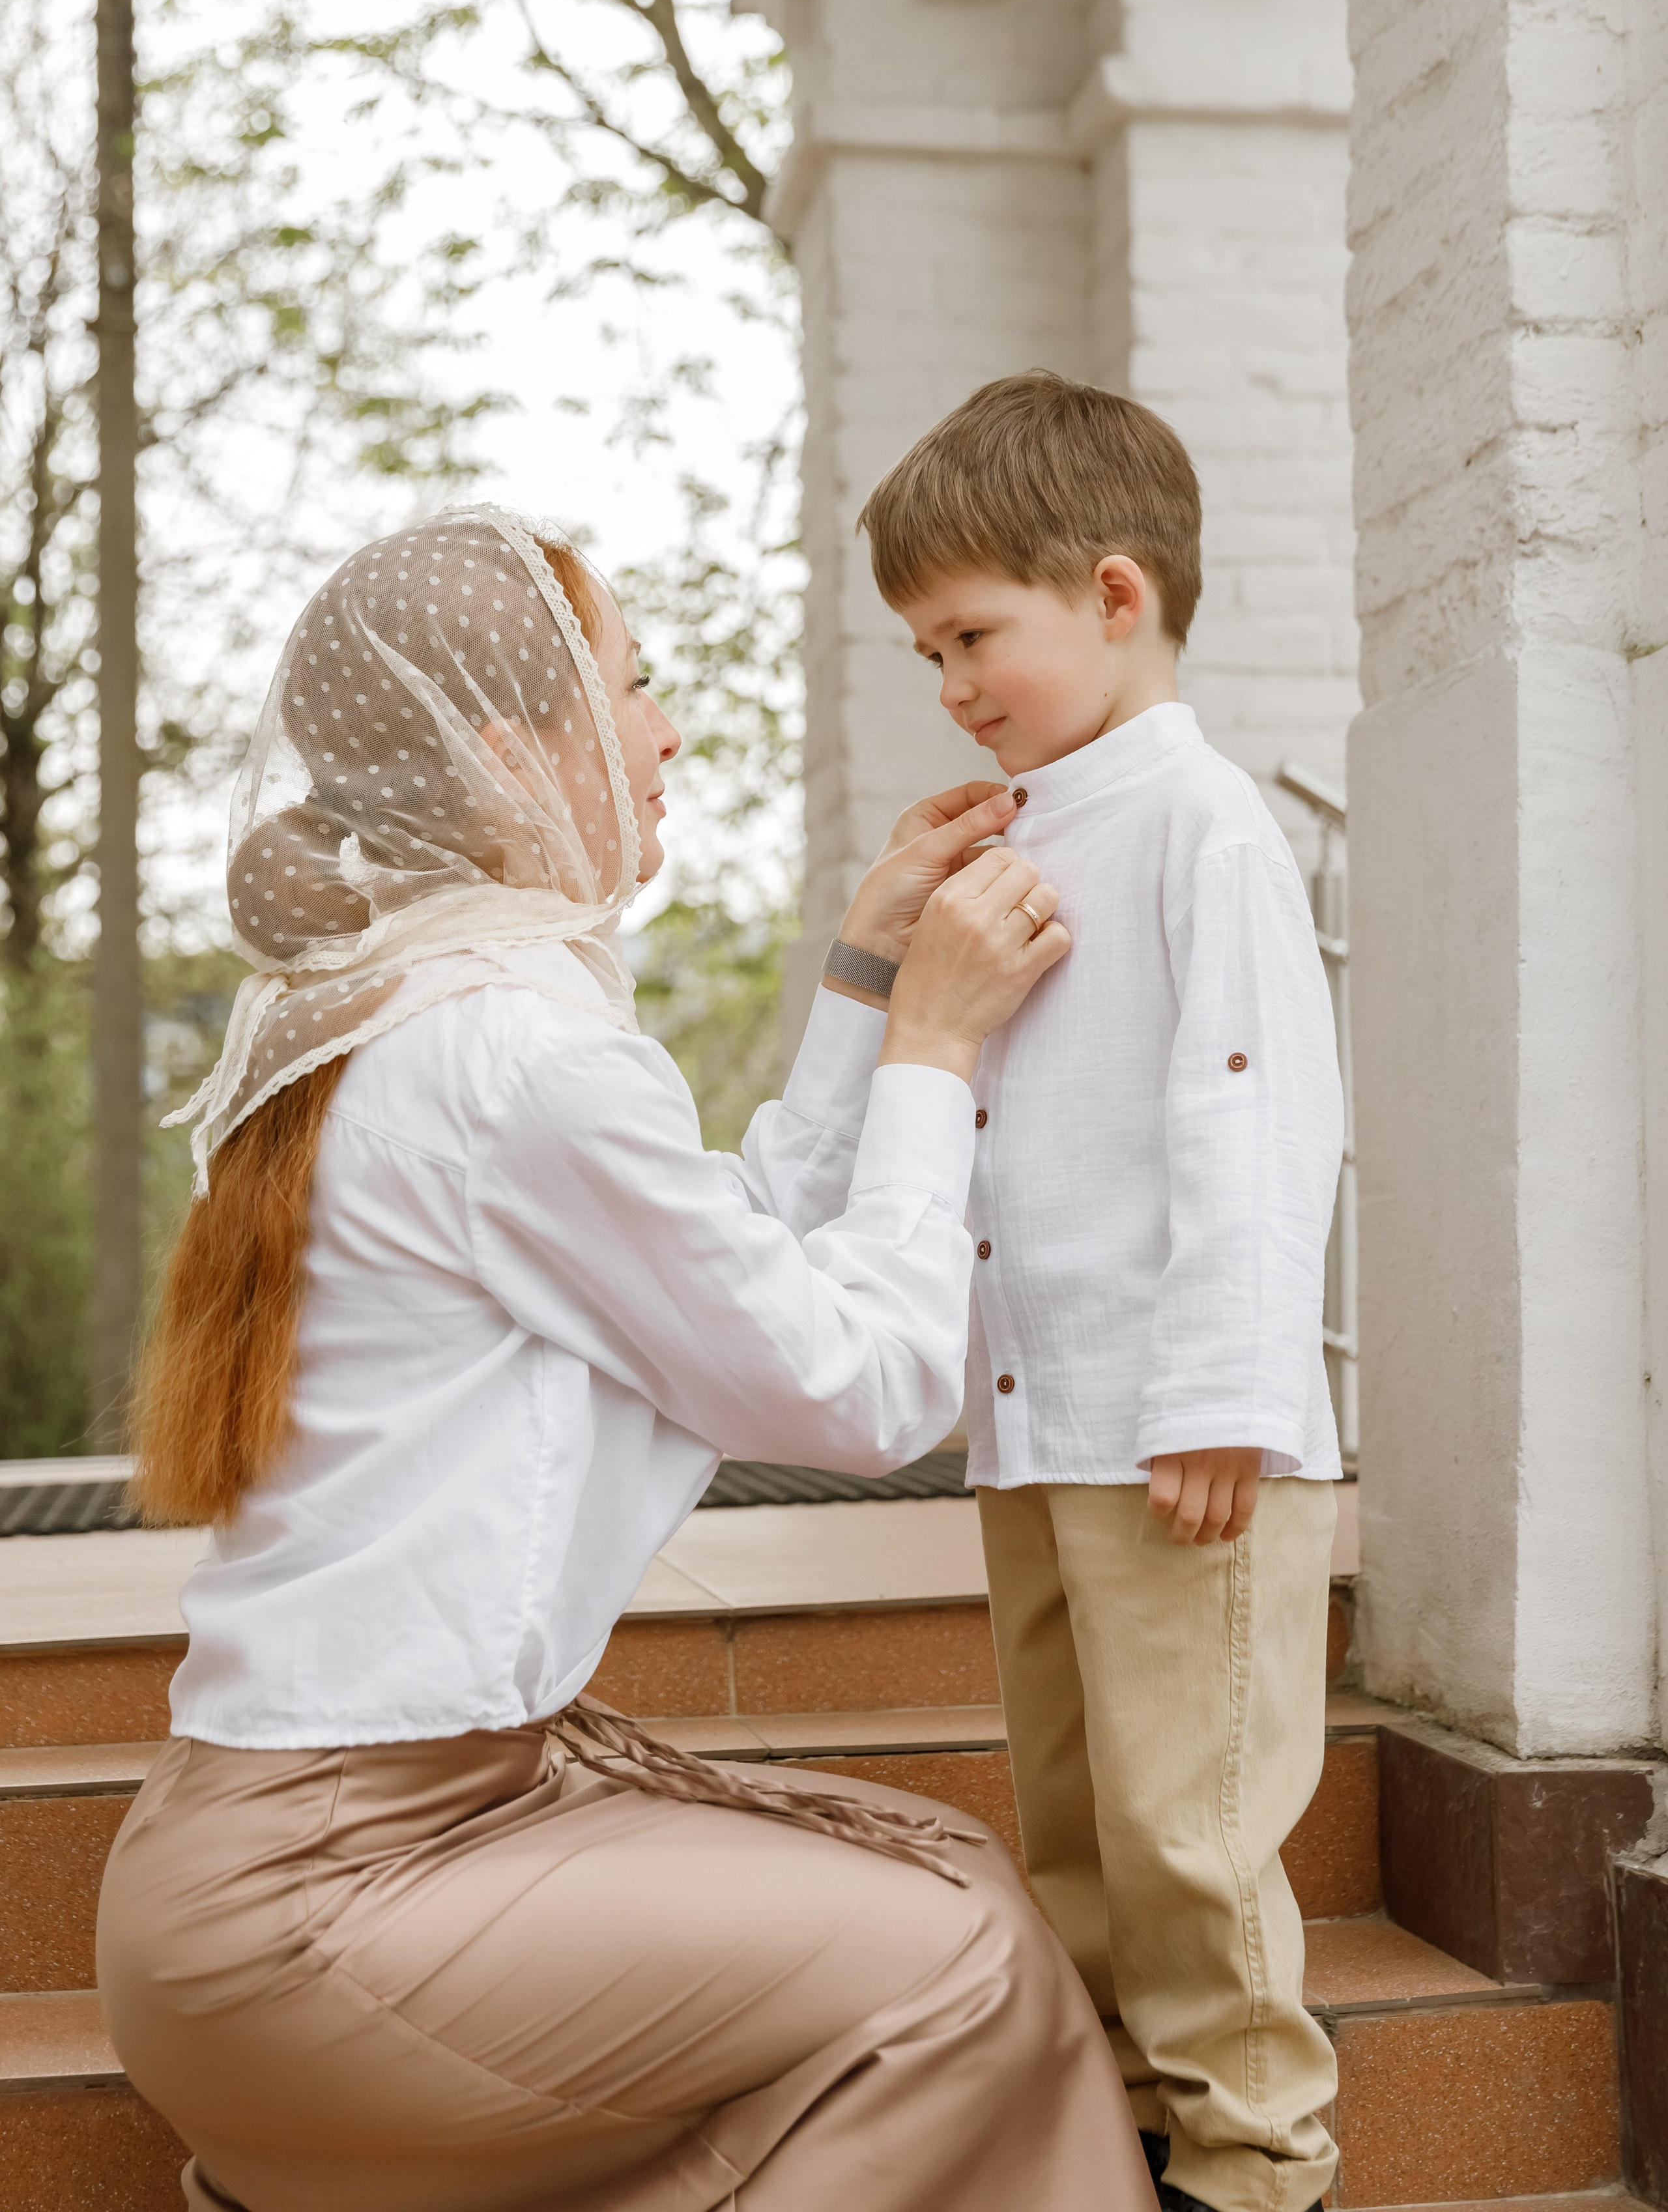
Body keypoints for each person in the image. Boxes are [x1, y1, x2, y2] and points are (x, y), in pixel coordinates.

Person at [96, 502, 1157, 2212]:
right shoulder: (516, 1051)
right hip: (334, 1907)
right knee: (959, 1954)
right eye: (635, 687)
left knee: (942, 1862)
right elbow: (861, 1388)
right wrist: (936, 1056)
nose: (665, 731)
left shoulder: (408, 1012)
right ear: (519, 748)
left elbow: (701, 1267)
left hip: (292, 1867)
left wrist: (869, 982)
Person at [846, 375, 1345, 2212]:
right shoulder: (1025, 827)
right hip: (1044, 1425)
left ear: (1115, 595)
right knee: (1072, 1822)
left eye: (975, 633)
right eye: (927, 653)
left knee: (1188, 1831)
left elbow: (1252, 1112)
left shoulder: (1201, 825)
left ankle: (1257, 2166)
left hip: (1176, 1429)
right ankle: (1124, 2127)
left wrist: (1226, 1390)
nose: (955, 681)